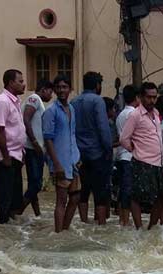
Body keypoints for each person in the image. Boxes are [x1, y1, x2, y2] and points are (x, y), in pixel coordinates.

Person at [119, 81, 163, 230]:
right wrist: (135, 150)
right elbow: (124, 138)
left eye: (154, 97)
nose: (152, 100)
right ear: (141, 97)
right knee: (136, 196)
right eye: (149, 97)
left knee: (161, 196)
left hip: (158, 162)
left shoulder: (156, 113)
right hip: (142, 161)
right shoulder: (135, 115)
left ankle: (151, 227)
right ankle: (139, 227)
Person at [71, 71, 114, 225]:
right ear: (97, 85)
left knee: (84, 190)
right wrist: (108, 149)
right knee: (100, 192)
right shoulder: (97, 101)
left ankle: (84, 223)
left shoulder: (74, 101)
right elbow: (103, 128)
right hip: (97, 153)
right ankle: (101, 225)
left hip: (80, 154)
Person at [43, 75, 81, 232]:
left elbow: (72, 134)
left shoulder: (71, 108)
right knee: (61, 200)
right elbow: (48, 139)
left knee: (76, 196)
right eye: (58, 87)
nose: (61, 90)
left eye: (64, 87)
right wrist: (56, 163)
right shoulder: (51, 111)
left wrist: (78, 156)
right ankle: (58, 233)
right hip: (60, 162)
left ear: (70, 89)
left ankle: (64, 230)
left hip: (73, 160)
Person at [0, 69, 27, 224]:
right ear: (11, 83)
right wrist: (5, 156)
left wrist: (21, 152)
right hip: (6, 155)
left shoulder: (14, 101)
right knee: (5, 193)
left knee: (14, 193)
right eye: (20, 81)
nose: (23, 84)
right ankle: (3, 223)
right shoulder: (2, 101)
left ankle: (11, 227)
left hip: (15, 153)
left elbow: (16, 128)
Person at [21, 80, 54, 218]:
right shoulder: (35, 98)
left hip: (35, 149)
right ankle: (17, 211)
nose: (51, 95)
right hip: (33, 149)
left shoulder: (38, 102)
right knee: (36, 184)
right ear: (44, 89)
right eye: (50, 91)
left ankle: (37, 215)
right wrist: (35, 142)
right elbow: (26, 118)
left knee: (34, 184)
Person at [114, 85, 139, 226]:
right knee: (128, 190)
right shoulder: (134, 114)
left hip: (121, 156)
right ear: (136, 98)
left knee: (123, 188)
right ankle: (126, 220)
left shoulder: (120, 115)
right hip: (130, 156)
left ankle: (122, 219)